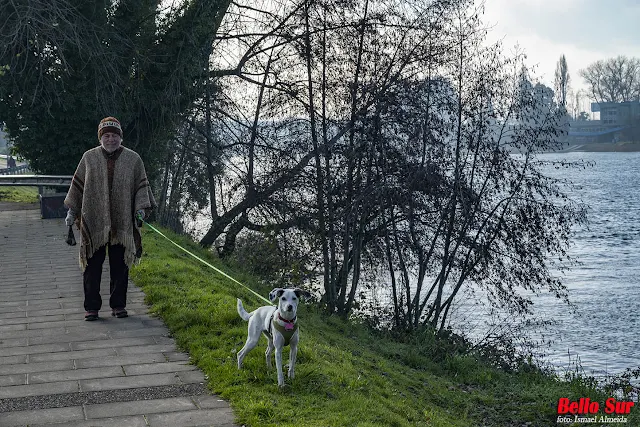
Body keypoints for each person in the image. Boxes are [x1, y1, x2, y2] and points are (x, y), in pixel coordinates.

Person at [64, 116, 156, 321]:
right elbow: (77, 189)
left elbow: (142, 190)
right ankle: (92, 307)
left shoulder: (134, 159)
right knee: (91, 266)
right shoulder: (89, 158)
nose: (111, 139)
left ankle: (118, 305)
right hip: (94, 220)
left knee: (120, 266)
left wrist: (140, 210)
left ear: (120, 137)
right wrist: (71, 212)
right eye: (106, 135)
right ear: (100, 138)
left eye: (114, 135)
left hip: (122, 222)